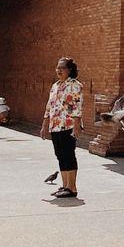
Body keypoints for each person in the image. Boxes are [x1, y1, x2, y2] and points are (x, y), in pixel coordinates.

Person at [39, 57, 83, 199]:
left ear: (70, 70)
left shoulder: (75, 85)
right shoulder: (55, 86)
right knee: (60, 155)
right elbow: (49, 106)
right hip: (55, 126)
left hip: (68, 125)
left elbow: (77, 105)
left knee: (68, 154)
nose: (59, 70)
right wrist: (45, 124)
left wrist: (77, 124)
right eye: (57, 67)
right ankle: (65, 186)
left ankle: (72, 187)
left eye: (62, 68)